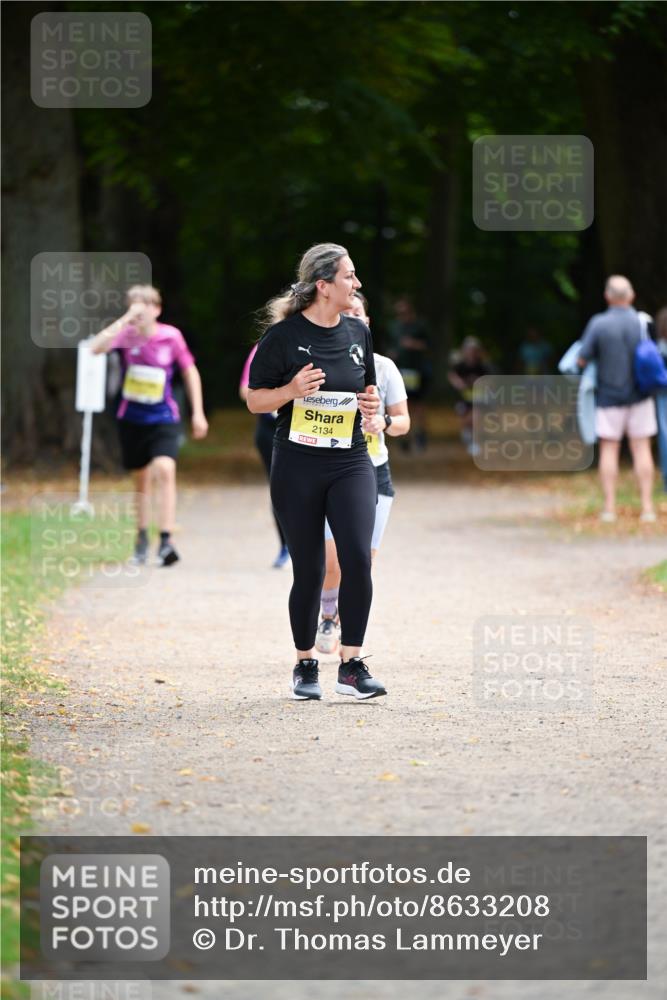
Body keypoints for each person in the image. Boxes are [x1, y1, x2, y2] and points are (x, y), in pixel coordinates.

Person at [247, 243, 386, 701]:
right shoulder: (283, 338)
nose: (357, 284)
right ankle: (305, 663)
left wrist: (371, 407)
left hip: (349, 461)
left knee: (358, 559)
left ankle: (351, 664)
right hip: (297, 464)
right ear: (323, 286)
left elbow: (366, 390)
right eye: (350, 276)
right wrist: (290, 389)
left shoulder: (357, 332)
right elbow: (255, 400)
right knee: (307, 569)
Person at [316, 292, 410, 655]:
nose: (353, 320)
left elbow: (404, 422)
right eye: (346, 313)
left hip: (374, 472)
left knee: (363, 560)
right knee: (331, 558)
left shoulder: (384, 367)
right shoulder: (322, 363)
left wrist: (382, 421)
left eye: (359, 315)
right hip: (331, 470)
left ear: (367, 323)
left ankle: (345, 628)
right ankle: (326, 613)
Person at [90, 284, 208, 564]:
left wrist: (198, 412)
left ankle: (166, 540)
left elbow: (190, 372)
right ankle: (142, 538)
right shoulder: (125, 335)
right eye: (133, 306)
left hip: (164, 416)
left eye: (144, 307)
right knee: (141, 479)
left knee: (165, 469)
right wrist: (124, 320)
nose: (139, 312)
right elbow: (95, 348)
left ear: (157, 309)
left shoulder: (171, 337)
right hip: (131, 418)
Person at [577, 275, 657, 522]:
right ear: (630, 296)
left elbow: (582, 359)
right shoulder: (642, 322)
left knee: (609, 450)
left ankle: (609, 508)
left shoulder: (598, 324)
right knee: (642, 448)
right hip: (641, 396)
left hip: (608, 397)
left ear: (607, 297)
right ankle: (647, 508)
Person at [239, 345, 290, 568]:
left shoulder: (315, 342)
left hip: (307, 428)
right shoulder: (263, 348)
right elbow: (244, 389)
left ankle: (319, 545)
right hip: (270, 430)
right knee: (280, 488)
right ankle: (286, 546)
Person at [388, 297, 431, 451]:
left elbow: (429, 345)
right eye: (399, 312)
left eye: (404, 311)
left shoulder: (420, 326)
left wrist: (413, 344)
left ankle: (420, 435)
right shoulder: (395, 327)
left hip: (417, 371)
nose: (402, 315)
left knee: (418, 405)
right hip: (401, 371)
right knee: (403, 403)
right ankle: (405, 439)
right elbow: (392, 346)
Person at [447, 336, 491, 455]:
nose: (471, 352)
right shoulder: (460, 365)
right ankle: (468, 436)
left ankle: (475, 443)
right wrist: (458, 382)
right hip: (463, 398)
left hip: (478, 397)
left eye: (473, 350)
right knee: (465, 420)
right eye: (469, 349)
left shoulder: (483, 366)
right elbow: (452, 375)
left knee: (475, 417)